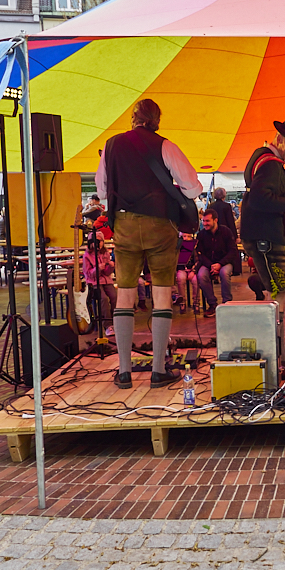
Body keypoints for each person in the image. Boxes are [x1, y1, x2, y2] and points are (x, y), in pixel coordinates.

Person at [96, 98, 203, 390]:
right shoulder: (165, 145)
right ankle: (158, 370)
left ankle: (124, 372)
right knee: (161, 295)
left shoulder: (111, 145)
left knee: (126, 297)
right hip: (159, 226)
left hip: (125, 227)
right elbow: (193, 187)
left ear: (133, 118)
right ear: (157, 119)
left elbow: (103, 189)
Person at [240, 116, 285, 364]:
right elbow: (260, 200)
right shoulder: (271, 165)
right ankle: (276, 354)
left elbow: (256, 195)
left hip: (259, 237)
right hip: (266, 238)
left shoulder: (259, 157)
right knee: (280, 291)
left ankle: (275, 352)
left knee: (278, 289)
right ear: (280, 139)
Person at [194, 209, 241, 317]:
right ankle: (212, 304)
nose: (204, 224)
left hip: (225, 262)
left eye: (207, 221)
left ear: (215, 220)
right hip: (208, 263)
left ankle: (226, 303)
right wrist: (211, 265)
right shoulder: (201, 235)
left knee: (224, 273)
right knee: (201, 275)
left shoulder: (226, 232)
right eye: (203, 221)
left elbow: (232, 251)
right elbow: (200, 254)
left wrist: (220, 264)